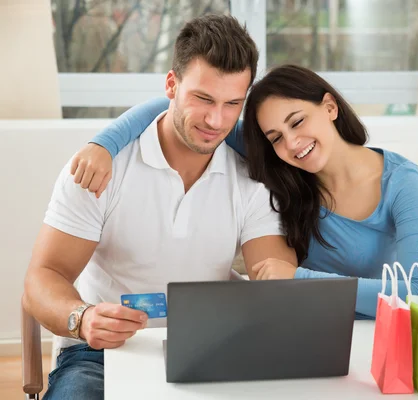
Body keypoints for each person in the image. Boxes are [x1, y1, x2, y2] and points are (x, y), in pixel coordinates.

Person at [22, 15, 296, 400]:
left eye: (232, 103)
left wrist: (278, 289)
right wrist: (82, 319)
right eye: (203, 99)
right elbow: (42, 279)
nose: (216, 120)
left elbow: (274, 279)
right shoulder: (101, 169)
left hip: (211, 350)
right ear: (172, 84)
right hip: (101, 356)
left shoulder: (251, 180)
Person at [70, 66, 418, 319]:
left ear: (329, 106)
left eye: (298, 121)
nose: (293, 143)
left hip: (375, 336)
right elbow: (174, 107)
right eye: (276, 137)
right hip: (305, 327)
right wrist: (103, 144)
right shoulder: (282, 168)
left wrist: (297, 279)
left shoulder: (402, 182)